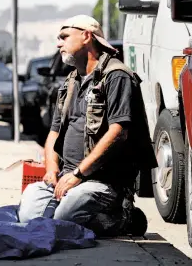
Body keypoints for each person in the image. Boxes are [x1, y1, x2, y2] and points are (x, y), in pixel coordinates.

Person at [17, 15, 157, 237]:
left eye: (64, 37)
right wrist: (52, 170)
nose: (58, 43)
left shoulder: (116, 76)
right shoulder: (70, 82)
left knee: (65, 219)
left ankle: (125, 218)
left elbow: (118, 132)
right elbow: (54, 132)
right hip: (65, 177)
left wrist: (79, 175)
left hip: (102, 182)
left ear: (86, 36)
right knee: (29, 219)